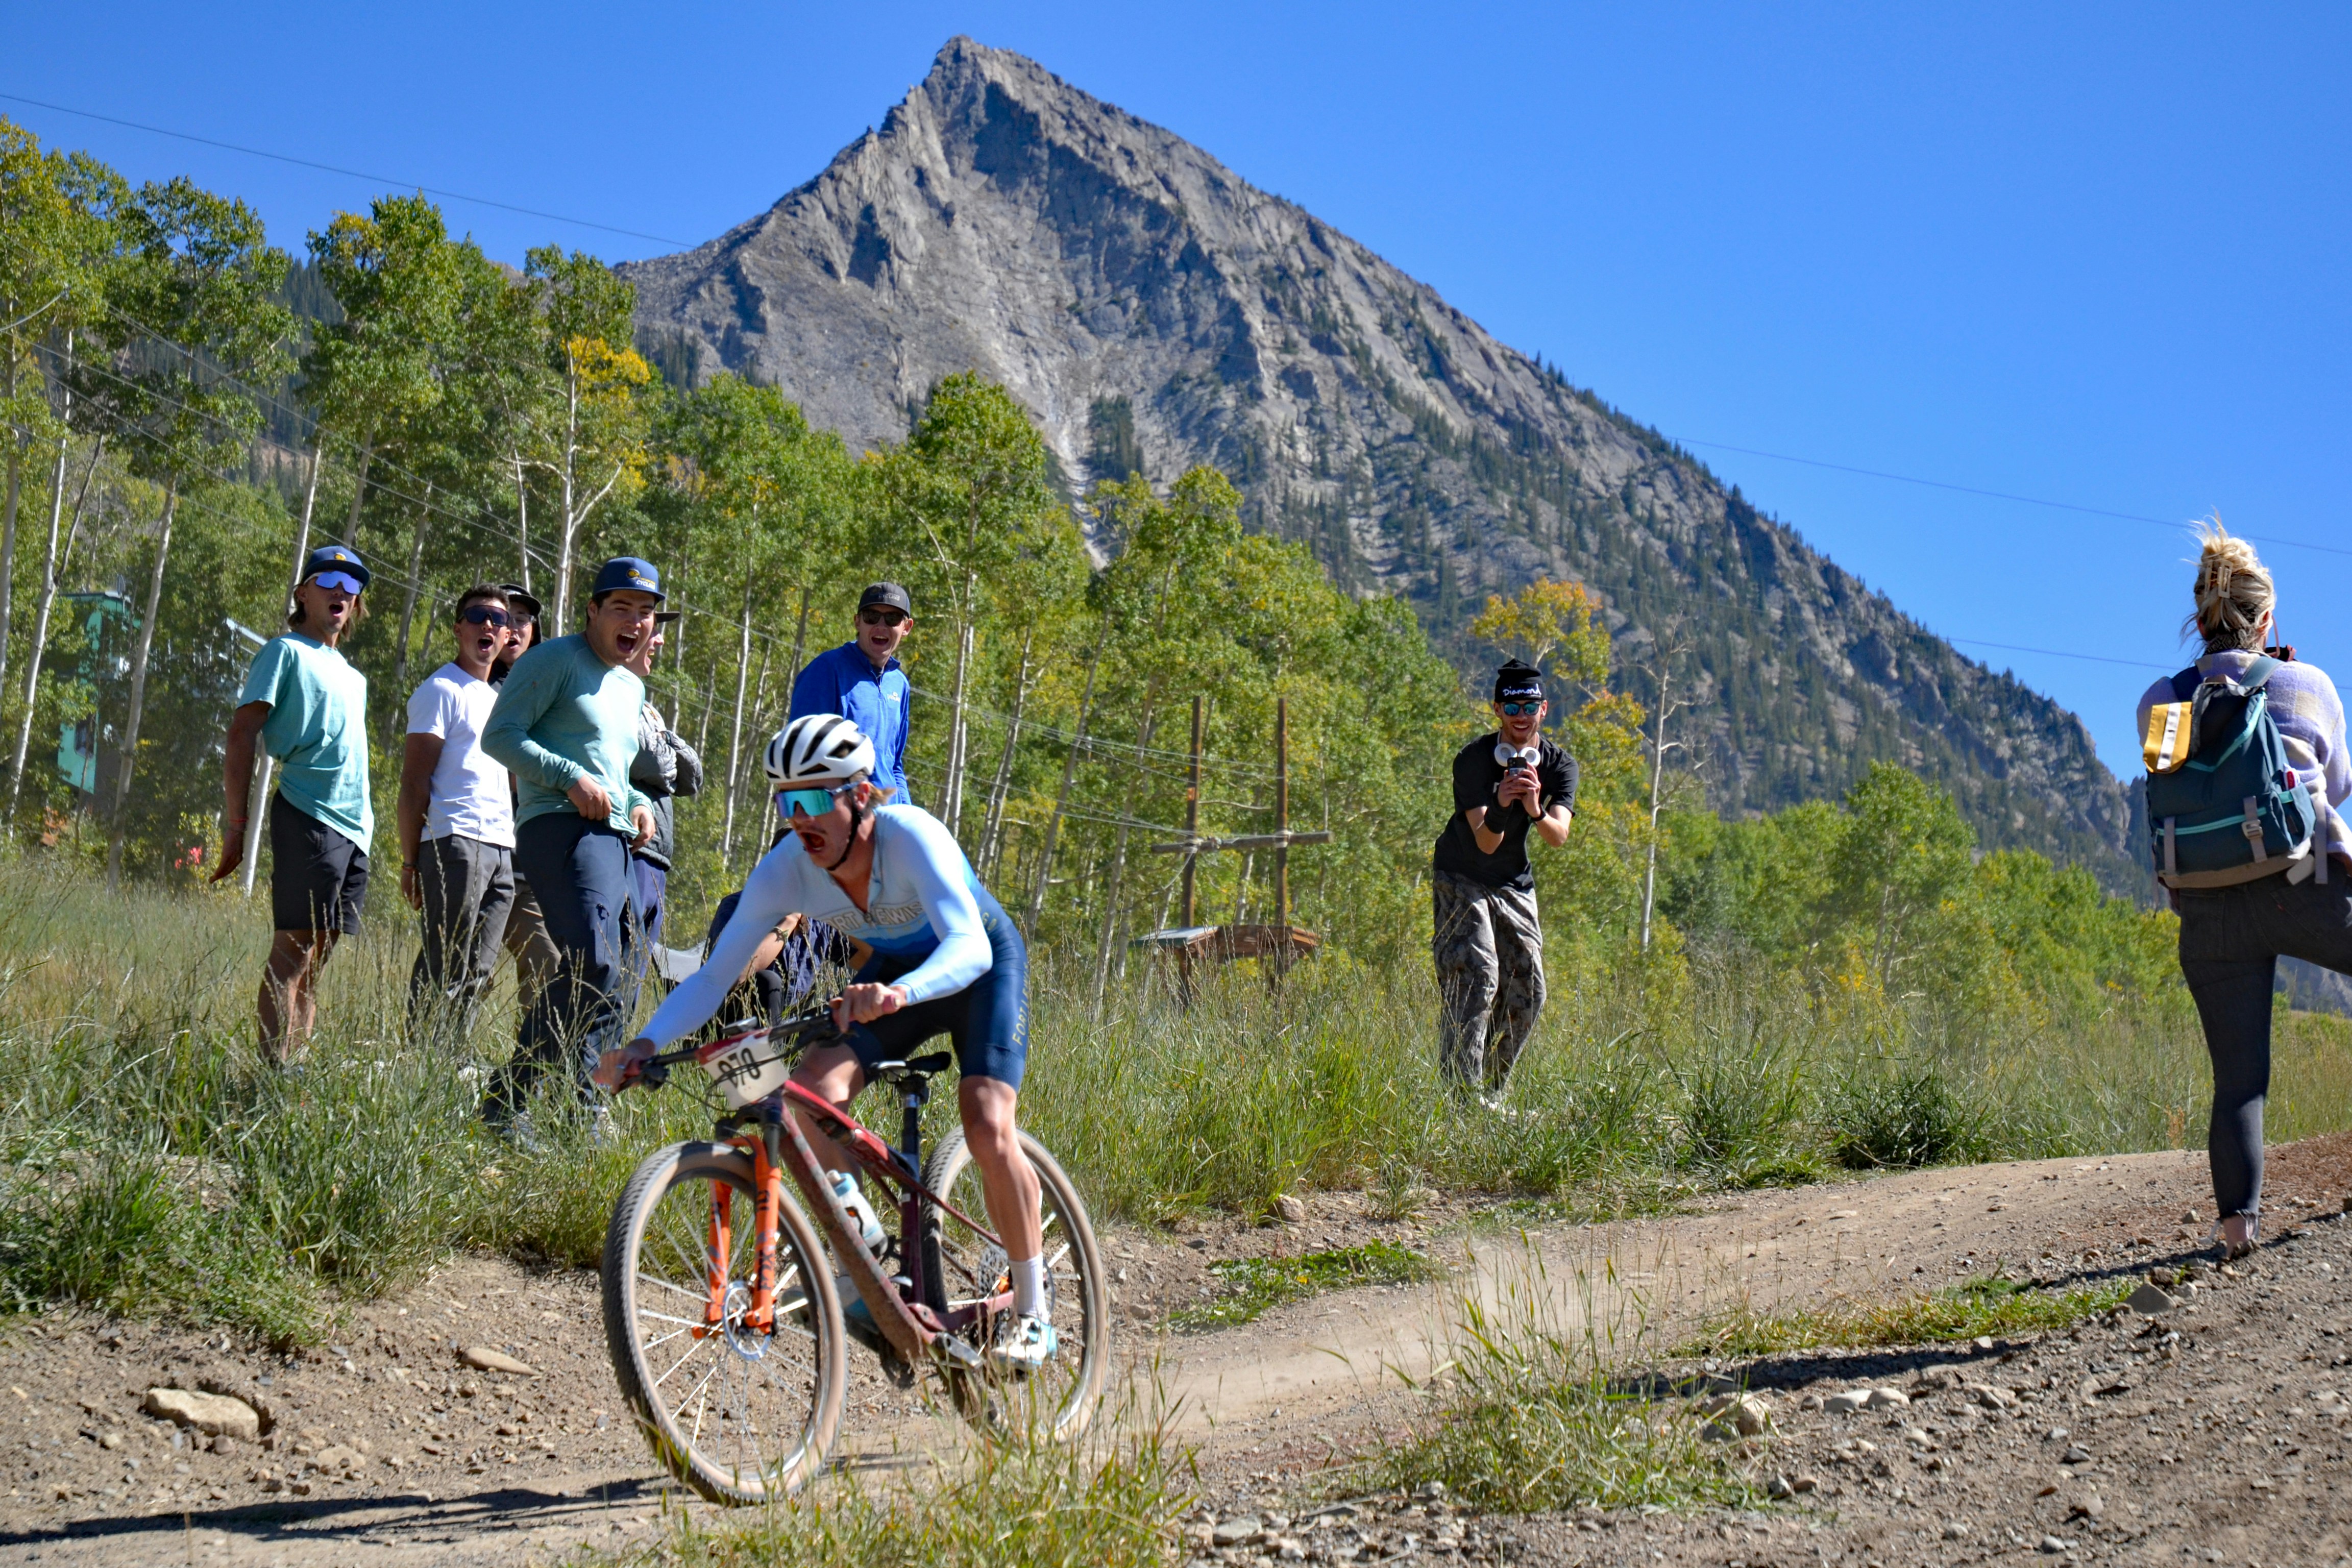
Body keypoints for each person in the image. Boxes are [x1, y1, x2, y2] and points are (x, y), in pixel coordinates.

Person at [595, 714, 1056, 1370]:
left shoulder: (911, 838)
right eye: (785, 803)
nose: (798, 819)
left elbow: (968, 946)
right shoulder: (787, 870)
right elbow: (714, 977)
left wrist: (898, 995)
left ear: (860, 796)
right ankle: (866, 1246)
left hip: (977, 967)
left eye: (814, 800)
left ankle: (1034, 1311)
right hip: (893, 978)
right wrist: (644, 1042)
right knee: (805, 1097)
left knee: (985, 1122)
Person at [2137, 525, 2351, 1261]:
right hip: (2306, 887)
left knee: (2239, 1080)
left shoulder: (2162, 704)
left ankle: (2237, 1233)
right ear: (2268, 621)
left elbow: (2168, 792)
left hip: (2208, 911)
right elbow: (2339, 785)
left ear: (2197, 622)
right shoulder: (2308, 685)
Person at [480, 557, 660, 1140]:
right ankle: (528, 1102)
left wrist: (638, 803)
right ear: (593, 611)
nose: (634, 623)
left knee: (614, 973)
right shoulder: (553, 660)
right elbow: (500, 735)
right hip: (555, 825)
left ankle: (558, 1104)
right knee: (593, 962)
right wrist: (567, 777)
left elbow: (619, 770)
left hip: (613, 838)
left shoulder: (631, 686)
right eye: (621, 609)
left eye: (644, 612)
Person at [210, 546, 375, 1065]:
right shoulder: (284, 652)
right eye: (329, 580)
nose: (342, 593)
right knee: (293, 951)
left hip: (356, 830)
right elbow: (242, 736)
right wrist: (237, 827)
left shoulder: (352, 674)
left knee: (318, 960)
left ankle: (294, 1074)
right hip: (309, 815)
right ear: (303, 592)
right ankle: (271, 1075)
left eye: (352, 587)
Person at [1430, 658, 1578, 1105]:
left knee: (1529, 988)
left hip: (1514, 882)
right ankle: (1460, 1098)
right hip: (1462, 872)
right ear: (1497, 709)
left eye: (1529, 706)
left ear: (1544, 709)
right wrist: (1500, 801)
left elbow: (1558, 836)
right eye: (1511, 706)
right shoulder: (1473, 761)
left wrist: (1534, 806)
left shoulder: (1559, 765)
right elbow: (1486, 841)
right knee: (1478, 976)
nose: (1520, 716)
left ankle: (1490, 1095)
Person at [397, 584, 518, 1044]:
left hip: (502, 848)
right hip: (455, 840)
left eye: (499, 619)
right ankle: (419, 1059)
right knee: (444, 959)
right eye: (478, 615)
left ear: (509, 636)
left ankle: (449, 1061)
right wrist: (410, 862)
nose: (489, 624)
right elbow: (413, 784)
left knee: (480, 969)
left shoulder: (502, 701)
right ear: (458, 628)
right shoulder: (441, 689)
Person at [489, 584, 562, 1023]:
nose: (512, 627)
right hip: (476, 846)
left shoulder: (551, 688)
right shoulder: (469, 682)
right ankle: (437, 1062)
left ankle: (532, 1065)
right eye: (503, 616)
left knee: (546, 961)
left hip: (530, 859)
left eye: (522, 618)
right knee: (462, 966)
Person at [624, 611, 702, 958]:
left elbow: (691, 777)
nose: (660, 640)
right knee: (615, 965)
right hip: (629, 850)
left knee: (636, 972)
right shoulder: (609, 695)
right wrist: (666, 748)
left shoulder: (647, 708)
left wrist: (663, 743)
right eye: (654, 631)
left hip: (656, 859)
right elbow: (654, 763)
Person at [789, 582, 914, 798]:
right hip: (841, 814)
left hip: (887, 815)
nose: (881, 626)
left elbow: (894, 763)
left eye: (892, 619)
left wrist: (906, 811)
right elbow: (802, 754)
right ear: (857, 622)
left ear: (906, 628)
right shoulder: (827, 670)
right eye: (871, 617)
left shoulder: (899, 684)